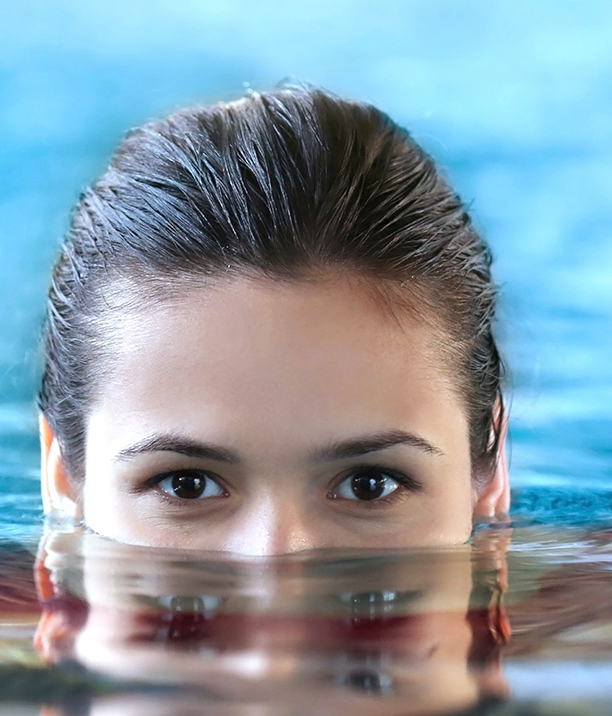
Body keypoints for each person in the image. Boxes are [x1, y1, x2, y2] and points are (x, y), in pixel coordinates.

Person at [38, 86, 509, 554]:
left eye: (369, 484)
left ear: (488, 475)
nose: (274, 562)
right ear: (62, 479)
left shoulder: (578, 617)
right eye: (186, 484)